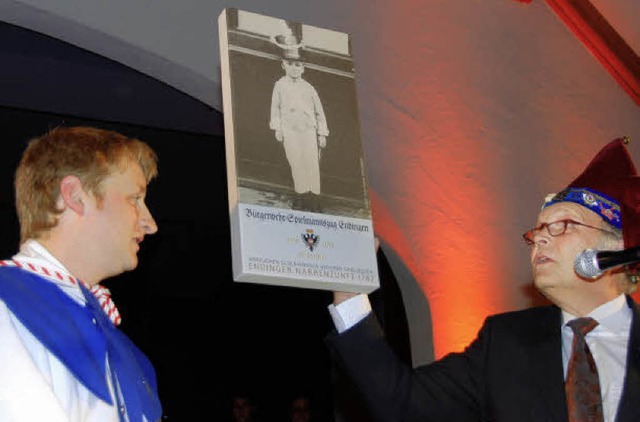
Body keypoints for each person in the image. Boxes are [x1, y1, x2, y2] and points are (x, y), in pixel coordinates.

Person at [326, 137, 640, 421]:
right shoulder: (505, 343)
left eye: (563, 225)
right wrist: (350, 296)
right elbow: (401, 403)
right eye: (538, 230)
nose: (541, 239)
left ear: (617, 248)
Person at [0, 126, 163, 421]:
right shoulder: (6, 306)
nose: (150, 223)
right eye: (134, 199)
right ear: (74, 195)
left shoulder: (123, 350)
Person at [270, 25, 329, 213]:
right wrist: (278, 128)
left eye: (297, 65)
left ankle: (315, 199)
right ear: (283, 64)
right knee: (296, 161)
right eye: (290, 64)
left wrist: (322, 133)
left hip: (308, 131)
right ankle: (301, 197)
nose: (294, 68)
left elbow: (319, 112)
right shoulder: (279, 85)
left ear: (303, 68)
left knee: (311, 162)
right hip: (290, 130)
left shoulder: (309, 88)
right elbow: (275, 109)